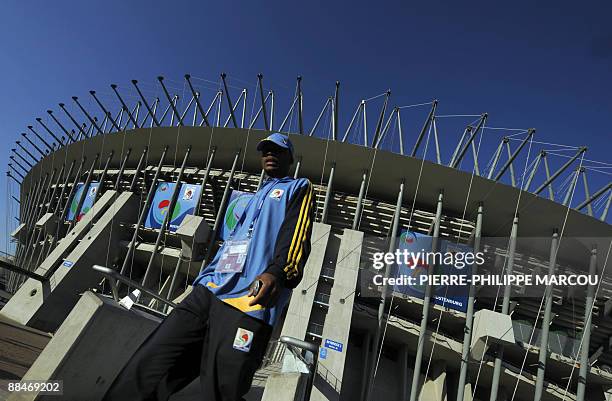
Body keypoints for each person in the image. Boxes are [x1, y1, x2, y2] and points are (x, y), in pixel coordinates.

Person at [104, 133, 314, 401]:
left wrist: (278, 272)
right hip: (209, 289)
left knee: (221, 388)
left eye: (277, 150)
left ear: (290, 157)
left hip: (248, 299)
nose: (270, 154)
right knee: (152, 362)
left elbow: (296, 235)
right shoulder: (255, 196)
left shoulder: (298, 187)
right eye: (265, 151)